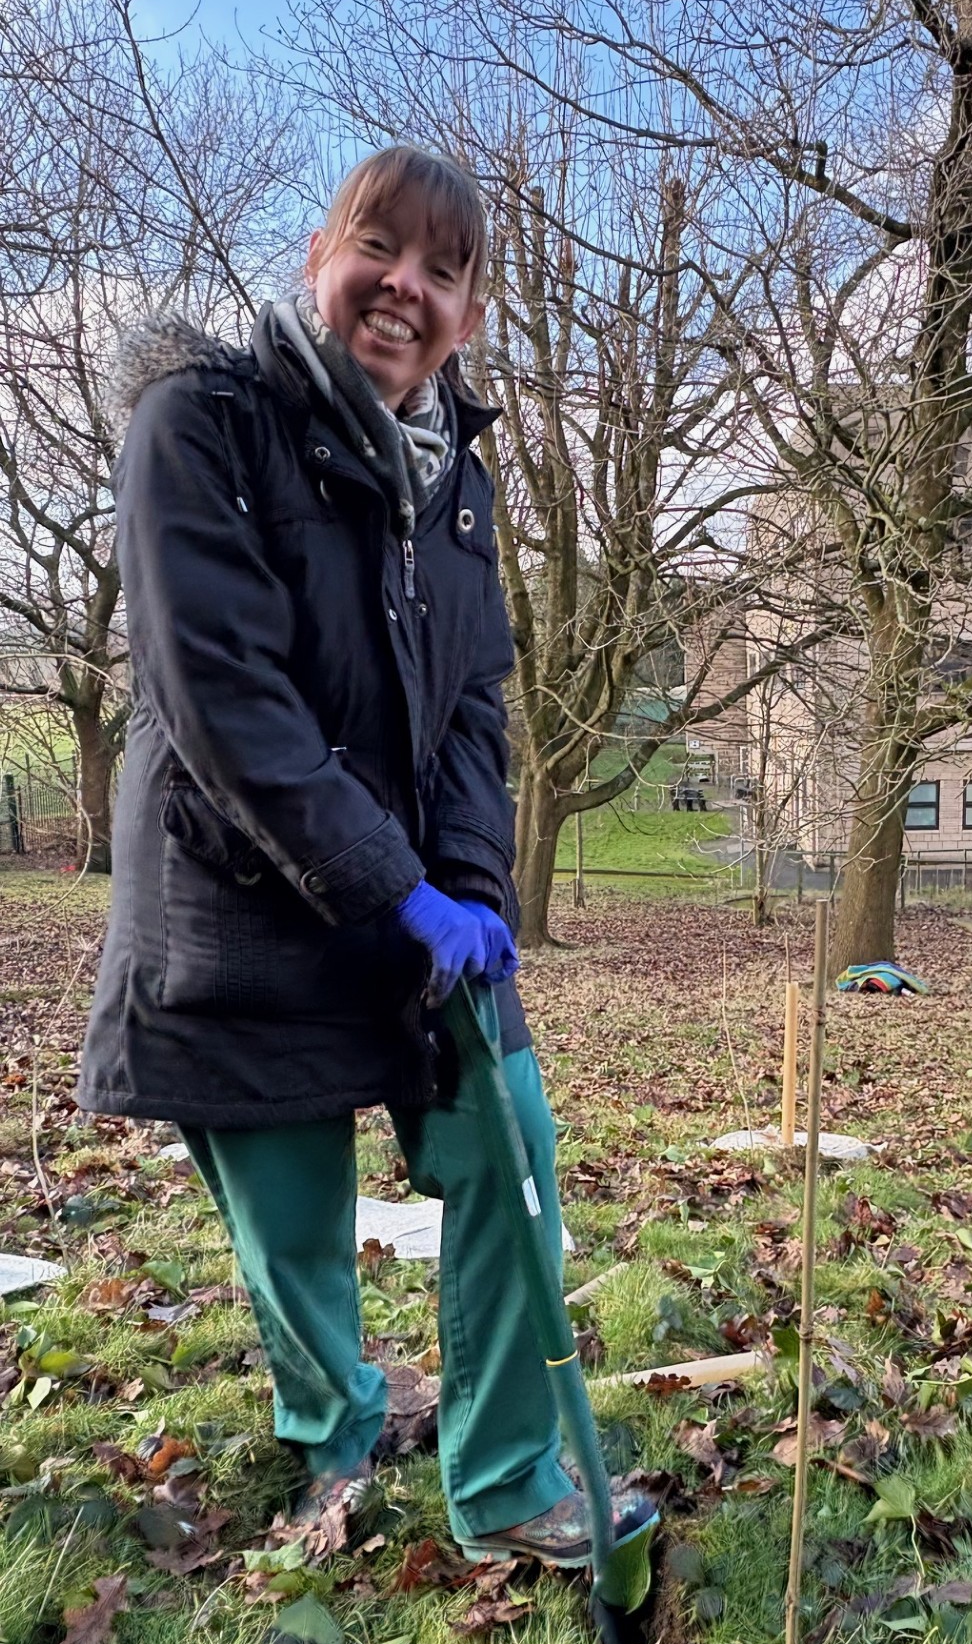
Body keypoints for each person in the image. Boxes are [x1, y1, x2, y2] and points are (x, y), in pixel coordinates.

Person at [79, 147, 658, 1567]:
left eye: (445, 271)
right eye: (382, 250)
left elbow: (474, 709)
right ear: (319, 259)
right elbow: (222, 696)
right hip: (240, 905)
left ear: (469, 313)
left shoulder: (459, 483)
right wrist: (386, 882)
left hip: (415, 921)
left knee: (511, 1144)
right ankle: (333, 1429)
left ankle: (512, 1480)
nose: (407, 287)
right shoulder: (202, 423)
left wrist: (463, 888)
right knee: (297, 1234)